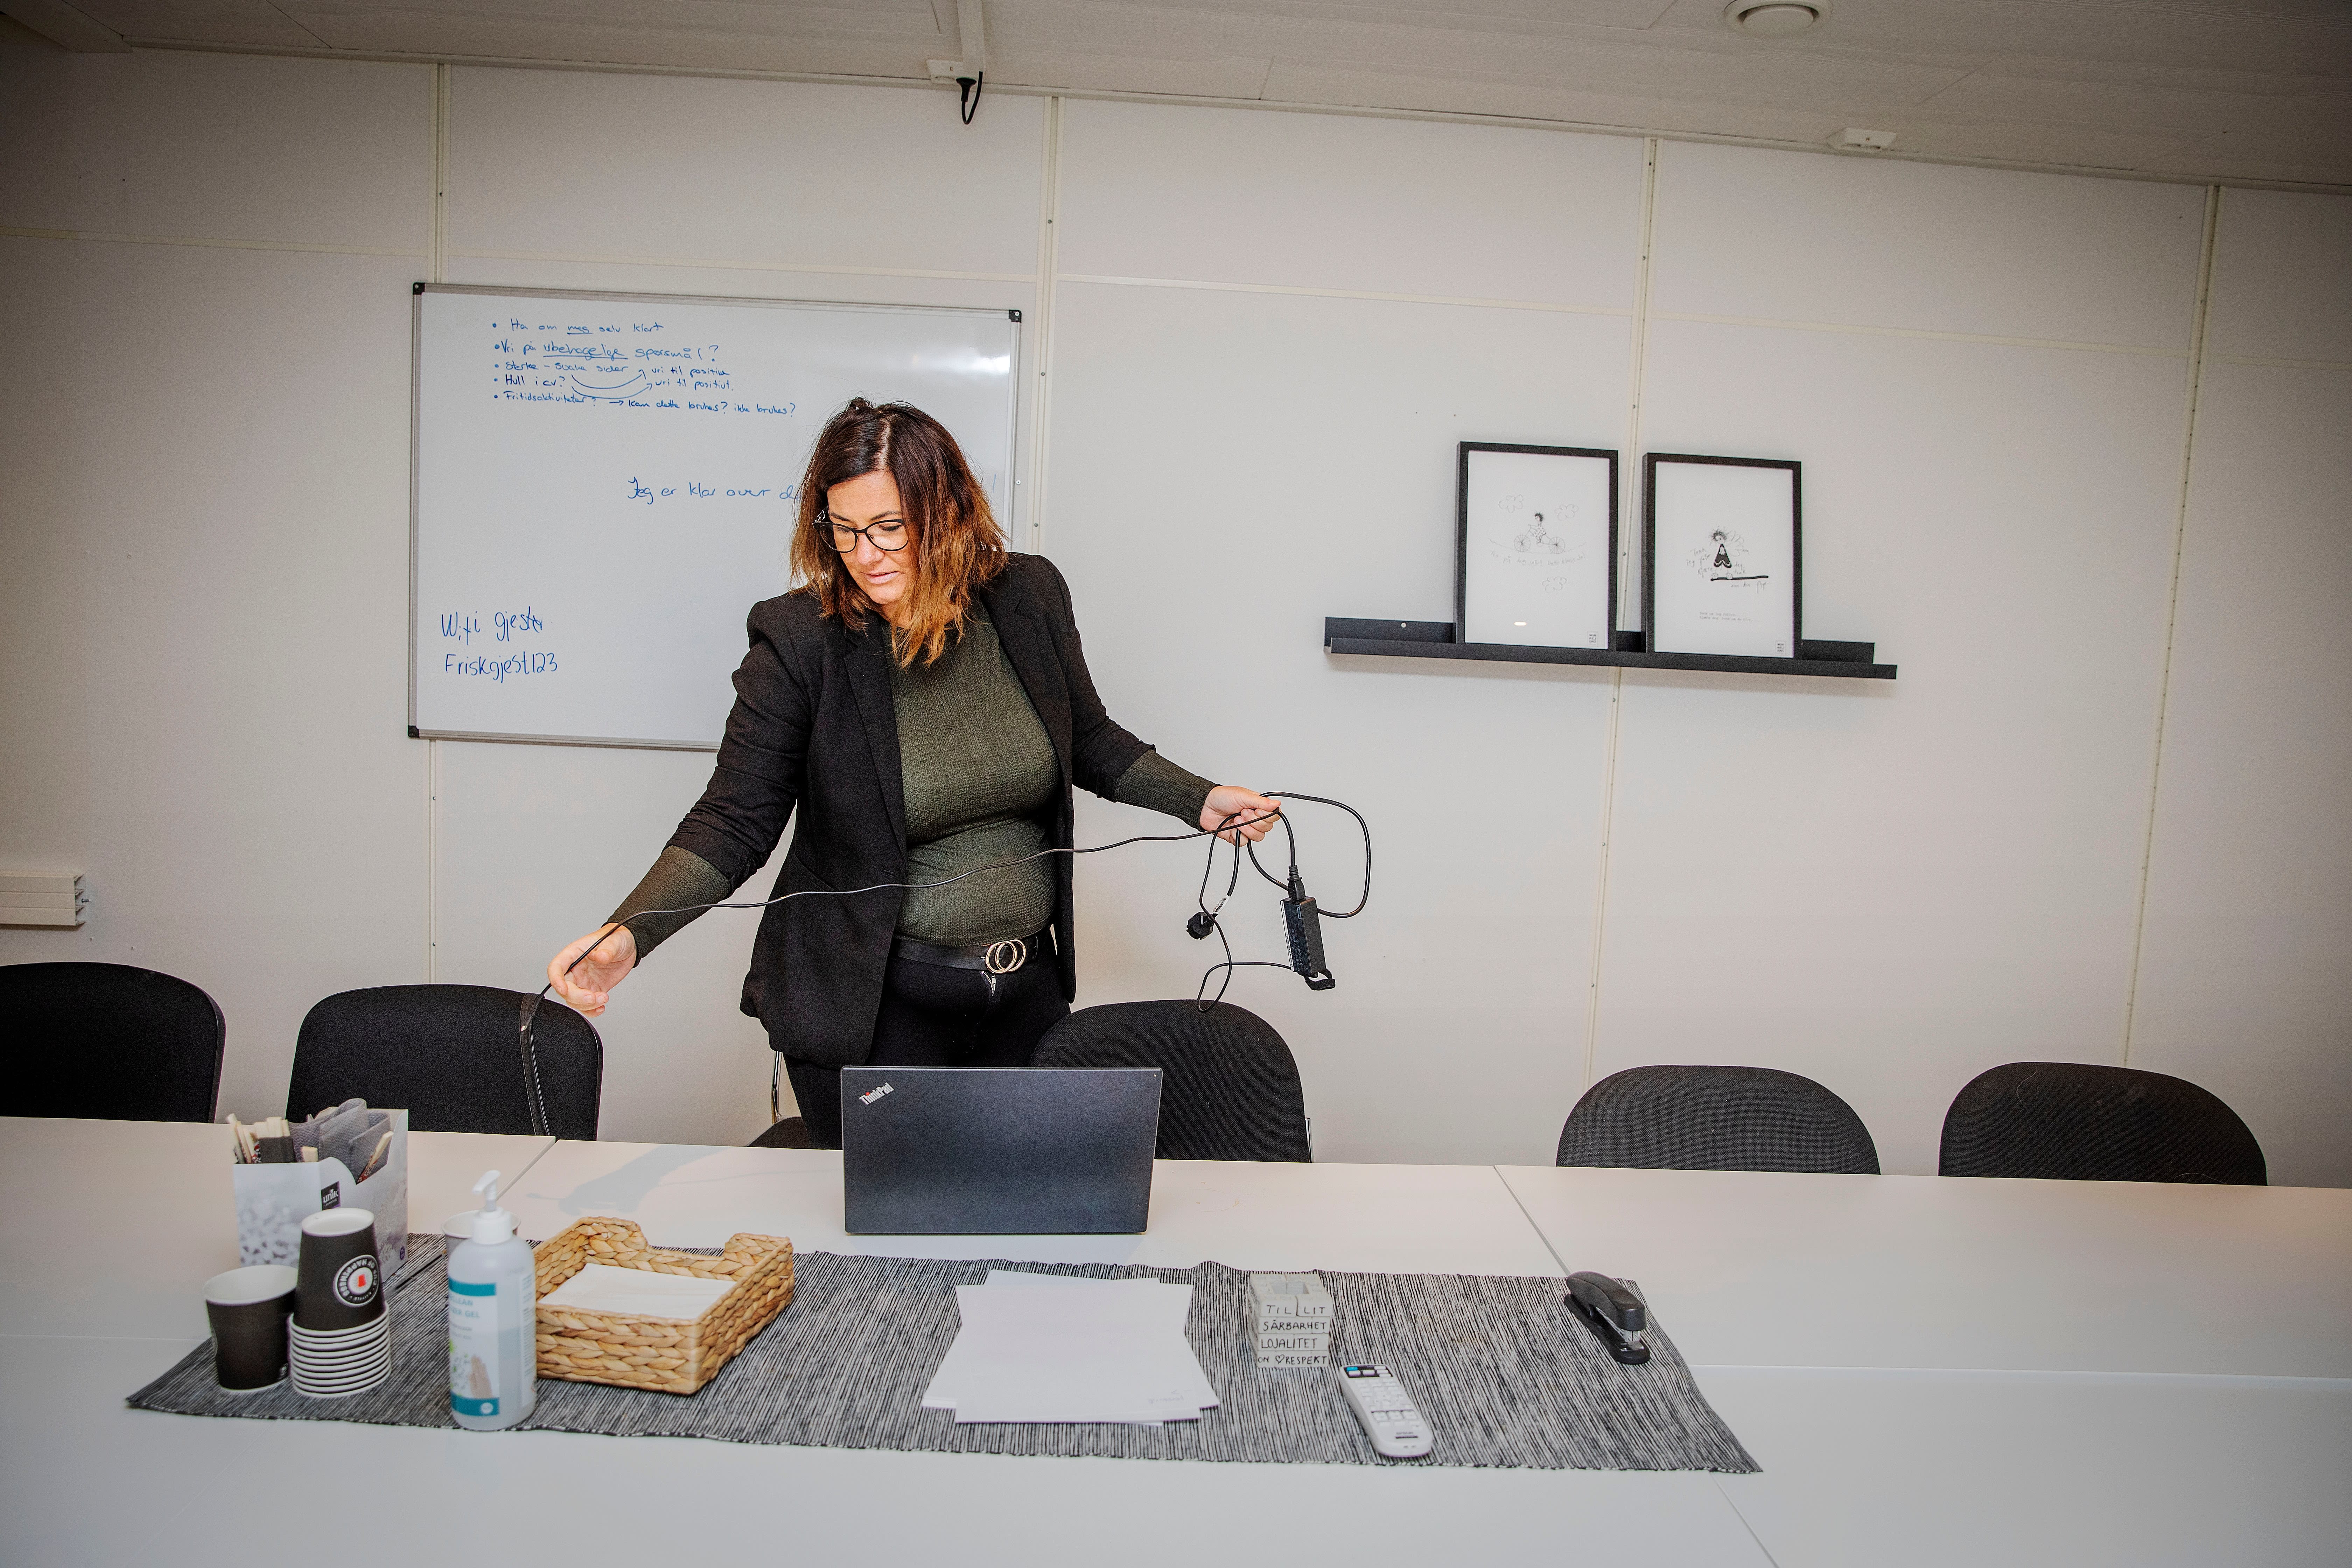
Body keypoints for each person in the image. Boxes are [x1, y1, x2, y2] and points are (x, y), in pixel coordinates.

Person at [545, 398, 1276, 1147]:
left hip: (1023, 997)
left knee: (1026, 1202)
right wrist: (631, 932)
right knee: (888, 1221)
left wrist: (1198, 799)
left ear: (949, 512)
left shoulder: (1028, 595)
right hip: (873, 1013)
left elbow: (1086, 738)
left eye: (890, 526)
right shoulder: (800, 642)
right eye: (844, 529)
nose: (865, 554)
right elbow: (733, 821)